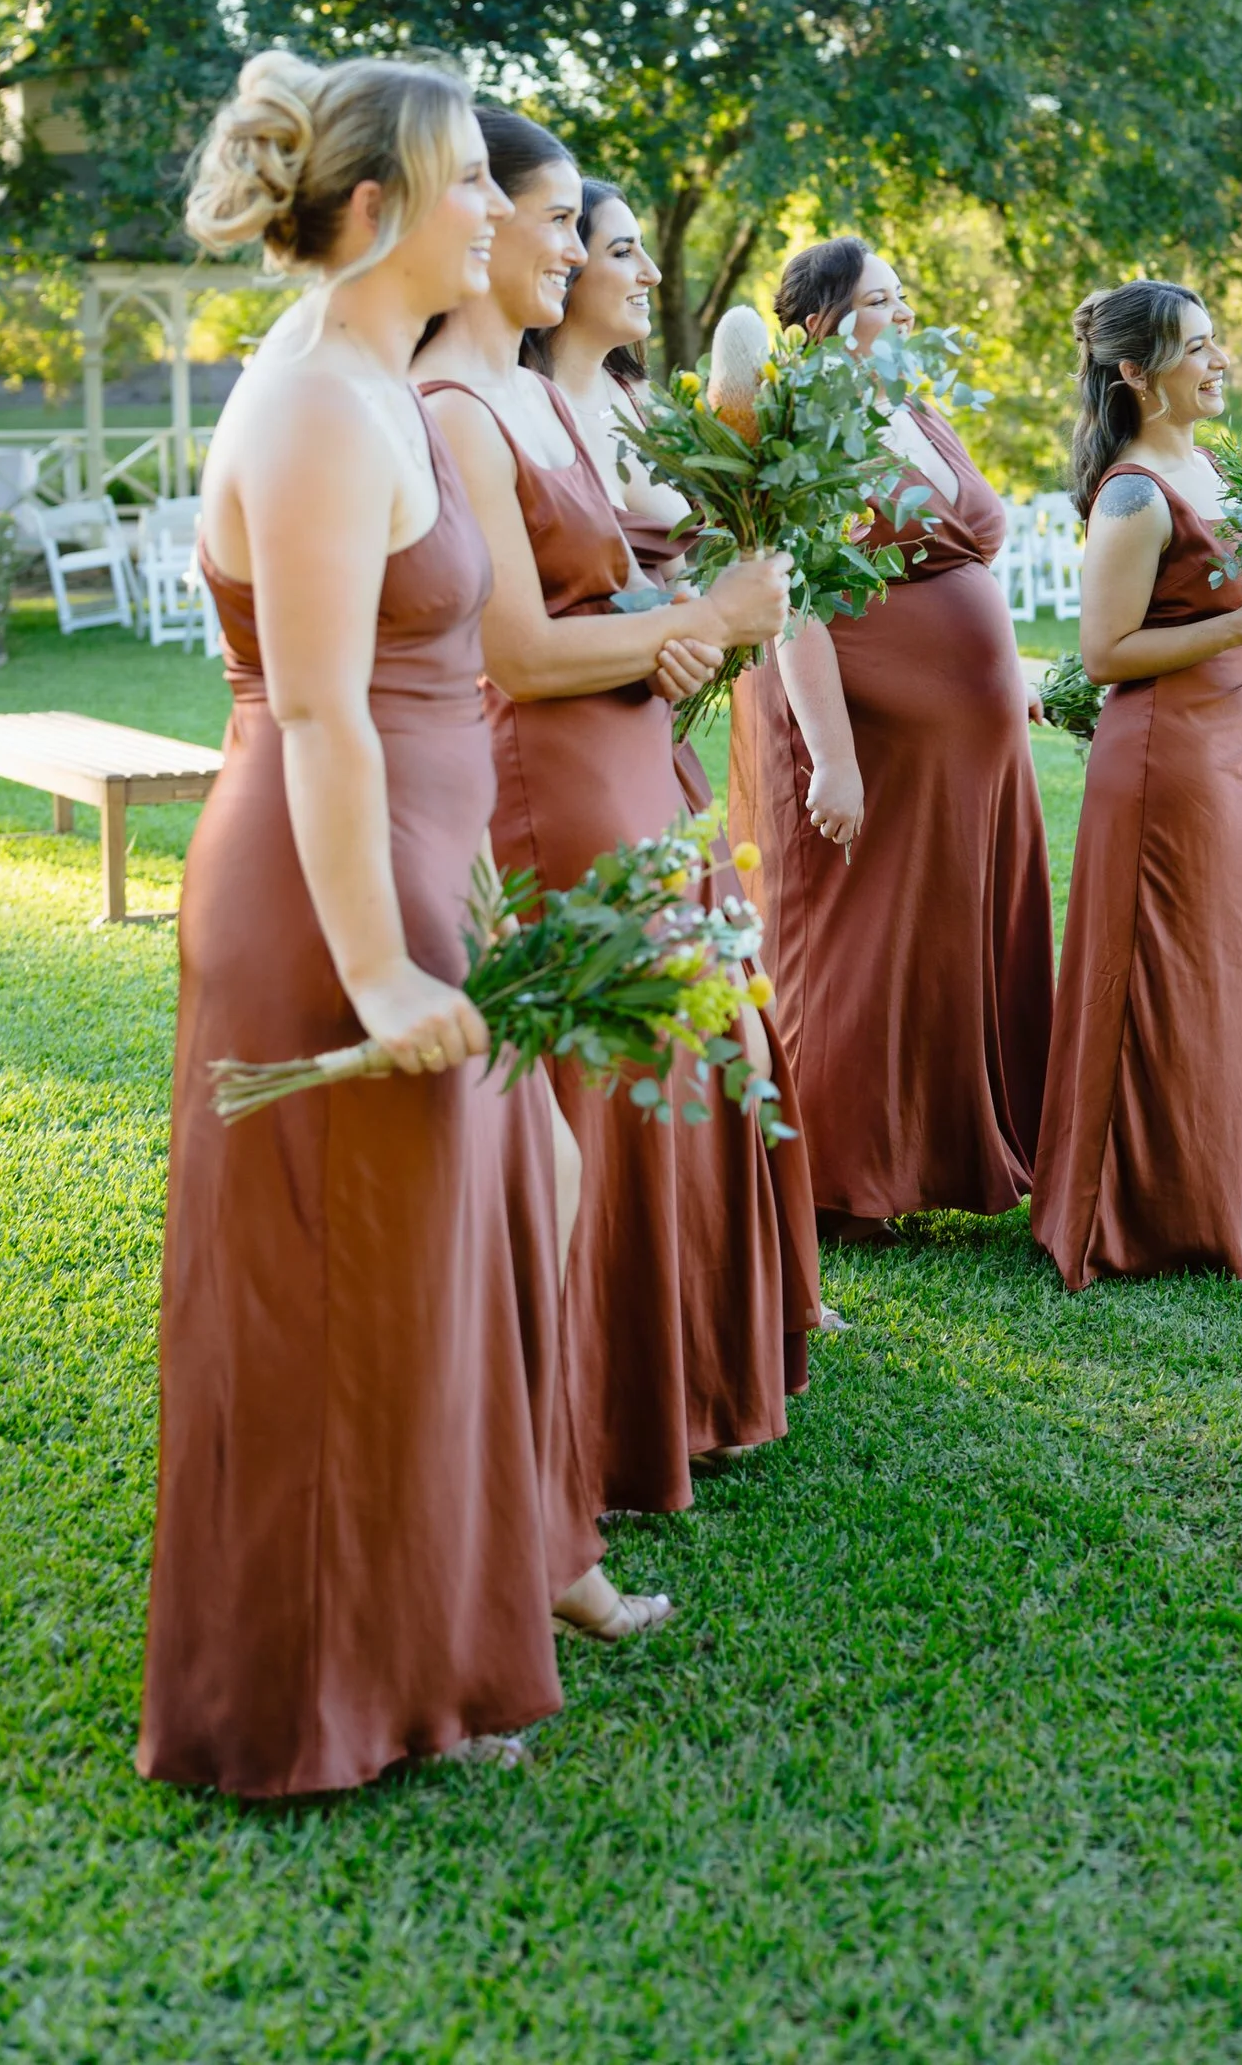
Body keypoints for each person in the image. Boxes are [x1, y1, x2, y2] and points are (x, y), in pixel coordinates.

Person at [139, 50, 627, 1803]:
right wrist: (380, 967)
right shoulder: (316, 411)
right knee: (341, 1289)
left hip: (414, 866)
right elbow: (330, 711)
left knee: (452, 1254)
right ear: (375, 211)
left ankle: (452, 1625)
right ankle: (320, 1689)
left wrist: (446, 907)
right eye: (468, 181)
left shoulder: (368, 383)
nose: (496, 205)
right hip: (321, 898)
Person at [416, 116, 797, 1512]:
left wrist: (669, 634)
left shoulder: (535, 396)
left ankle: (676, 1382)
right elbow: (513, 651)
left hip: (630, 752)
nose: (576, 248)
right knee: (616, 1075)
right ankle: (591, 1407)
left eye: (588, 222)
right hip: (555, 773)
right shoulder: (457, 408)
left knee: (684, 1066)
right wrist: (699, 614)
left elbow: (595, 604)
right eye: (558, 218)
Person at [524, 170, 824, 1394]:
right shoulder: (528, 409)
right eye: (623, 249)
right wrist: (679, 623)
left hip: (658, 736)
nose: (648, 273)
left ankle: (728, 1296)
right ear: (568, 276)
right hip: (579, 738)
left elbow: (698, 574)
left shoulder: (646, 410)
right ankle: (619, 1323)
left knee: (721, 1008)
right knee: (648, 1034)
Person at [1031, 281, 1242, 1290]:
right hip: (1167, 758)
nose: (1219, 361)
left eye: (1217, 341)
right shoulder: (1135, 493)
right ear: (1133, 372)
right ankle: (1149, 1212)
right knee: (1179, 979)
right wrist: (1241, 625)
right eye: (1196, 347)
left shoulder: (1220, 466)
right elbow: (1103, 652)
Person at [728, 237, 1052, 1235]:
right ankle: (834, 1175)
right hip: (859, 731)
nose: (901, 313)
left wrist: (1004, 676)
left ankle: (932, 1151)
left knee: (938, 945)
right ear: (821, 320)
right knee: (855, 945)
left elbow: (955, 562)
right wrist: (831, 756)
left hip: (962, 746)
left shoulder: (913, 410)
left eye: (903, 294)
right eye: (879, 299)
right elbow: (797, 601)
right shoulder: (804, 426)